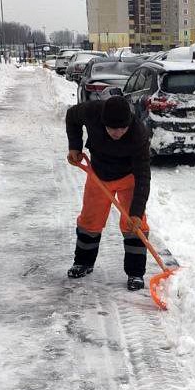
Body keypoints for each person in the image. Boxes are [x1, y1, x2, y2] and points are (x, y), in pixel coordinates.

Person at [65, 96, 151, 291]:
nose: (118, 133)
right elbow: (72, 116)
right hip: (98, 175)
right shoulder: (92, 111)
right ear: (103, 122)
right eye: (112, 128)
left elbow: (143, 176)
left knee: (134, 225)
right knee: (89, 221)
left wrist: (136, 212)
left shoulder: (138, 134)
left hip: (129, 177)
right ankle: (83, 263)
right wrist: (75, 146)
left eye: (122, 128)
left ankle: (135, 273)